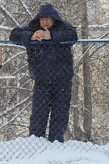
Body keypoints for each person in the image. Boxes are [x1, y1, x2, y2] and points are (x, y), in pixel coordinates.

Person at [10, 3, 77, 142]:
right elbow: (14, 34)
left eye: (48, 19)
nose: (45, 22)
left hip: (62, 81)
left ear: (54, 19)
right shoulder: (33, 28)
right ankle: (36, 143)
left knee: (60, 114)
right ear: (38, 20)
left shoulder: (64, 27)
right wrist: (31, 36)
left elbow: (73, 35)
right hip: (41, 81)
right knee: (39, 114)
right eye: (42, 19)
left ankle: (56, 143)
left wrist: (51, 36)